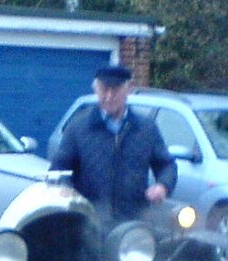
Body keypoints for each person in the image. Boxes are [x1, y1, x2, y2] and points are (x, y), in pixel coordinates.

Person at [49, 65, 177, 226]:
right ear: (95, 90)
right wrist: (68, 195)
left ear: (128, 90)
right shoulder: (78, 127)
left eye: (115, 90)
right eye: (104, 90)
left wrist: (163, 186)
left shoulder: (146, 129)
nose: (109, 96)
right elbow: (58, 172)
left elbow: (166, 164)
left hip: (133, 222)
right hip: (88, 224)